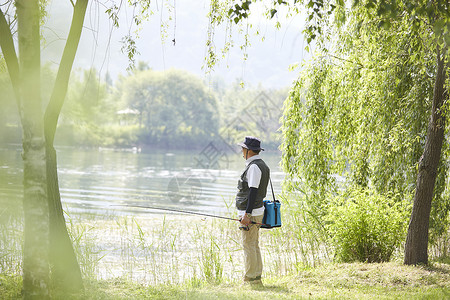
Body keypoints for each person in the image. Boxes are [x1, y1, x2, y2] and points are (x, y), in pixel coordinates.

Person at [235, 136, 270, 285]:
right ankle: (256, 277)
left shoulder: (254, 167)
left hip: (251, 213)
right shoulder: (259, 165)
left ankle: (250, 279)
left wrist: (246, 215)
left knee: (249, 245)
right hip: (255, 212)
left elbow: (253, 192)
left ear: (248, 151)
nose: (242, 151)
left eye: (243, 148)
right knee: (253, 244)